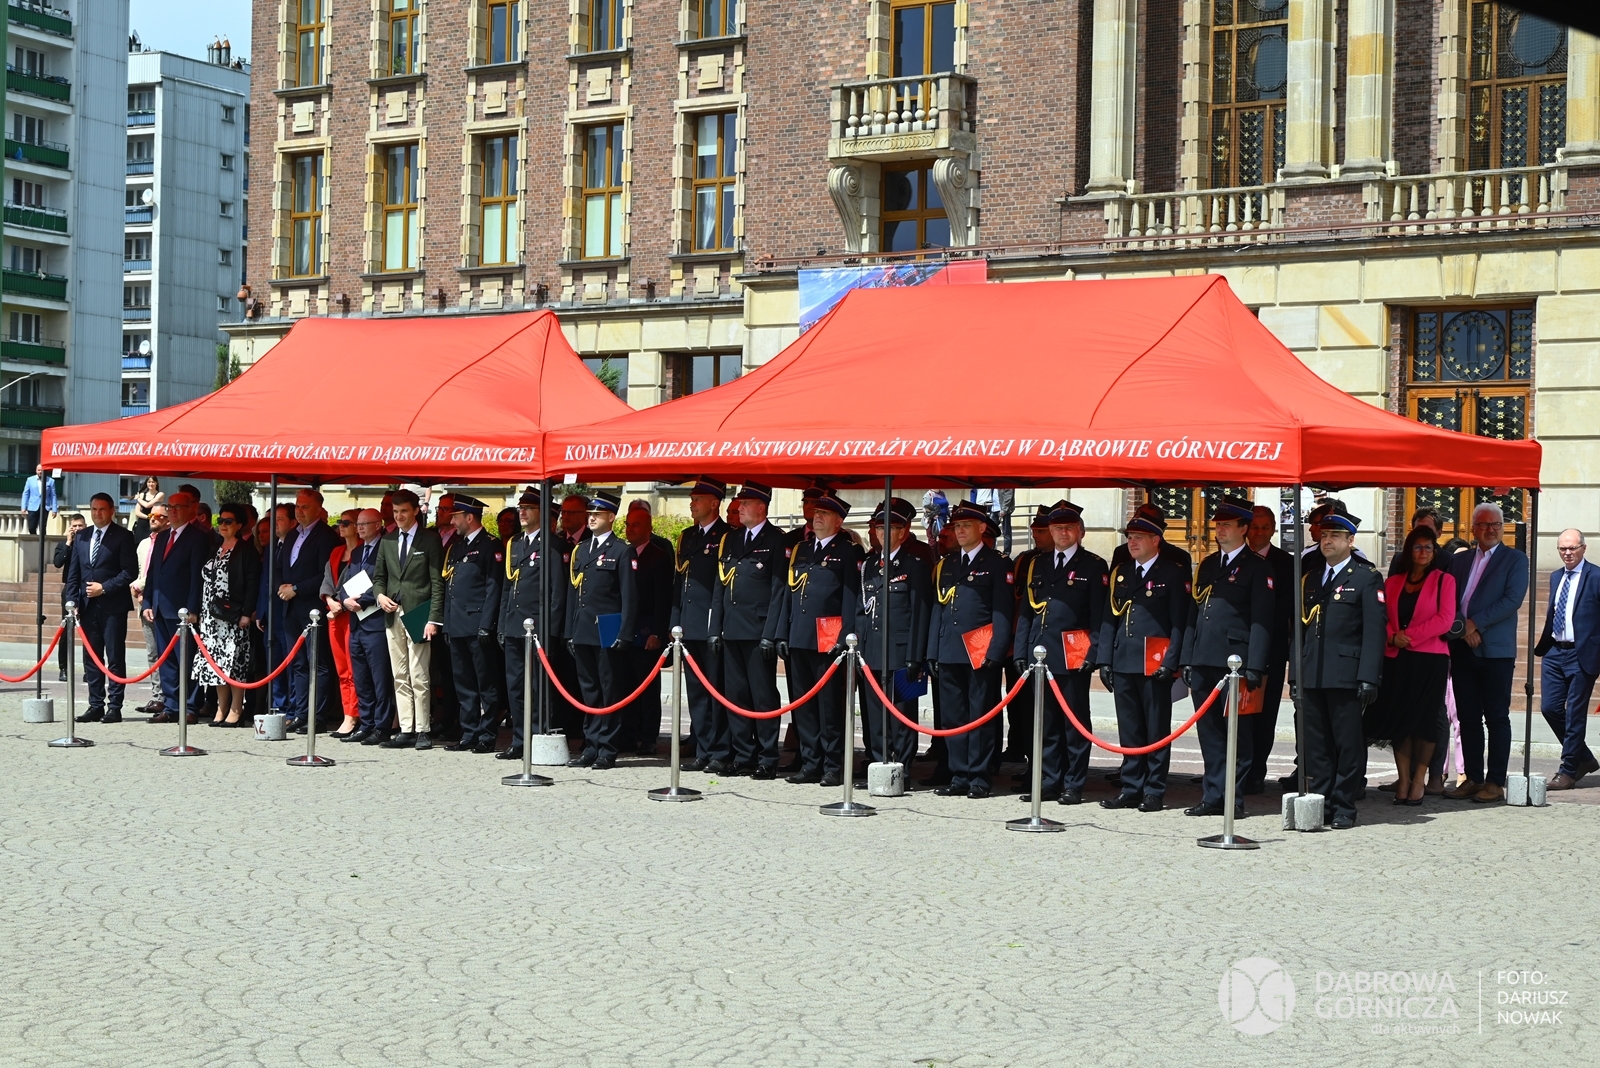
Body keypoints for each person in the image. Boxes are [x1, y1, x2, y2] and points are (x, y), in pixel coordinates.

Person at [1179, 496, 1273, 819]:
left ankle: (1233, 798)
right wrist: (1187, 657)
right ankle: (1212, 796)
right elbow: (1193, 614)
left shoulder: (1257, 567)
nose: (1219, 530)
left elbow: (1262, 619)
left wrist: (1255, 665)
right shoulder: (1207, 564)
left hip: (1236, 662)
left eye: (1227, 525)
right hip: (1203, 658)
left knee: (1237, 735)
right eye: (1218, 525)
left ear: (1243, 529)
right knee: (1209, 733)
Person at [1294, 505, 1385, 829]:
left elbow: (1374, 631)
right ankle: (1322, 801)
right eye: (1324, 535)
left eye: (1335, 535)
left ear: (1350, 540)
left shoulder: (1365, 577)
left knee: (1347, 744)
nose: (1327, 540)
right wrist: (1295, 675)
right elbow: (1299, 630)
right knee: (1316, 744)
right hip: (1313, 671)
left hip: (1346, 674)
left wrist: (1369, 676)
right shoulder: (1310, 578)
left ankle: (1344, 805)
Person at [1012, 501, 1106, 805]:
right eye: (1057, 528)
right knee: (1046, 723)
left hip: (1073, 654)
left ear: (1080, 531)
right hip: (1041, 655)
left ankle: (1073, 783)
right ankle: (1049, 781)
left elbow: (1099, 614)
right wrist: (1021, 650)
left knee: (1074, 723)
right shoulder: (1038, 564)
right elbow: (1027, 612)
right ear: (1050, 531)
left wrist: (1094, 652)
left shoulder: (1093, 565)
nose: (1062, 533)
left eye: (1068, 528)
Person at [1098, 515, 1190, 812]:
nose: (1132, 542)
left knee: (1156, 729)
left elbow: (1179, 623)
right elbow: (1109, 619)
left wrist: (1171, 662)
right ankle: (1131, 786)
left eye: (1138, 537)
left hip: (1155, 663)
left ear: (1155, 540)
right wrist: (1105, 660)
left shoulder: (1173, 573)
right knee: (1130, 729)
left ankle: (1154, 789)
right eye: (1129, 537)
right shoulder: (1122, 572)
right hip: (1124, 659)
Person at [1441, 503, 1528, 805]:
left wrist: (1475, 623)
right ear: (1474, 528)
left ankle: (1495, 782)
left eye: (1496, 525)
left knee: (1496, 717)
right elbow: (1448, 598)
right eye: (1484, 524)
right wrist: (1463, 628)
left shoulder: (1515, 559)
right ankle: (1473, 778)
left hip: (1496, 652)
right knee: (1467, 718)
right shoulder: (1460, 560)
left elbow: (1511, 600)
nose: (1490, 530)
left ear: (1502, 528)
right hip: (1462, 648)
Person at [926, 501, 1014, 799]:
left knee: (980, 715)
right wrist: (932, 651)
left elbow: (1002, 611)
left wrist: (996, 651)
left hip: (980, 651)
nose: (960, 531)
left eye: (966, 526)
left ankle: (979, 776)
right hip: (949, 648)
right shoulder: (948, 563)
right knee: (953, 717)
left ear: (982, 528)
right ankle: (959, 773)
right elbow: (938, 610)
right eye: (957, 526)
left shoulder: (997, 563)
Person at [774, 490, 861, 787]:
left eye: (825, 513)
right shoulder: (801, 550)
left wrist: (845, 636)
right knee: (804, 705)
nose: (817, 516)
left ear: (838, 521)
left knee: (829, 706)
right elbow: (789, 594)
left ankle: (832, 765)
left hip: (829, 638)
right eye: (816, 512)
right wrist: (782, 632)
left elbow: (850, 597)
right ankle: (810, 762)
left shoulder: (847, 551)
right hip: (799, 634)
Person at [1365, 526, 1456, 805]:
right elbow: (1381, 616)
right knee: (1401, 720)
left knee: (1425, 722)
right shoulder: (1393, 582)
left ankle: (1419, 780)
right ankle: (1403, 779)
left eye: (1429, 547)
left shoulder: (1445, 581)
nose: (1423, 552)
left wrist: (1409, 636)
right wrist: (1393, 637)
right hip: (1398, 658)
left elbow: (1445, 620)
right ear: (1409, 551)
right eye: (1418, 546)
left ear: (1435, 552)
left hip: (1430, 659)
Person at [711, 482, 788, 777]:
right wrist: (715, 628)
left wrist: (770, 633)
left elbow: (779, 590)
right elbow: (721, 585)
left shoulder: (776, 540)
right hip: (731, 628)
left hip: (758, 630)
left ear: (761, 507)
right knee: (736, 694)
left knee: (762, 695)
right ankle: (743, 754)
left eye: (745, 503)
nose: (739, 507)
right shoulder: (731, 540)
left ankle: (767, 756)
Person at [856, 498, 931, 772]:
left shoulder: (914, 565)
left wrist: (915, 656)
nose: (882, 533)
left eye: (890, 528)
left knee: (902, 716)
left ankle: (902, 767)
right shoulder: (869, 566)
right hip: (873, 651)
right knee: (875, 715)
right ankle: (879, 763)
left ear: (903, 532)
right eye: (879, 528)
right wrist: (861, 651)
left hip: (902, 653)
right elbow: (861, 612)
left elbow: (920, 614)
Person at [565, 490, 636, 769]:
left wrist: (625, 633)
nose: (591, 518)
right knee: (589, 691)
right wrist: (570, 631)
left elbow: (629, 596)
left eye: (597, 514)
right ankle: (591, 745)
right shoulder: (582, 549)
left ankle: (607, 748)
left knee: (609, 691)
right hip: (583, 629)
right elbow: (574, 593)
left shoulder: (622, 550)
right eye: (590, 514)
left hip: (608, 629)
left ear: (611, 517)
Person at [496, 489, 567, 761]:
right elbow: (508, 588)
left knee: (537, 688)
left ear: (542, 512)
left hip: (538, 629)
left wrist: (551, 632)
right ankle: (520, 740)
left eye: (528, 508)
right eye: (520, 508)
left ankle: (537, 739)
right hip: (514, 625)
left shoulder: (552, 545)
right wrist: (502, 624)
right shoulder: (515, 543)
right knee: (515, 687)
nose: (522, 512)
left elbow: (557, 593)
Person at [373, 488, 446, 750]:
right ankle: (406, 728)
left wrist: (434, 618)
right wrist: (380, 596)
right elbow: (379, 577)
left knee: (419, 674)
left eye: (404, 511)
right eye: (395, 511)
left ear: (416, 510)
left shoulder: (430, 539)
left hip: (419, 612)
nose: (399, 516)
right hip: (392, 613)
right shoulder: (387, 540)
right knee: (399, 673)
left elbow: (437, 582)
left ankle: (423, 729)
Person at [672, 478, 734, 772]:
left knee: (715, 691)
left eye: (698, 499)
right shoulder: (687, 537)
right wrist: (675, 622)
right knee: (695, 692)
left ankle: (720, 751)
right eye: (692, 499)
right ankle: (703, 749)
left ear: (714, 503)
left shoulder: (727, 536)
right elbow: (679, 584)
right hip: (689, 624)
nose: (692, 503)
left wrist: (717, 627)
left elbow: (724, 587)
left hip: (711, 625)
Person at [64, 494, 139, 724]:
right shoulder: (82, 536)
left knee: (115, 657)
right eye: (94, 509)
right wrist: (72, 602)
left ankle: (114, 707)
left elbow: (130, 572)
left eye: (102, 509)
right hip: (86, 607)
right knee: (92, 657)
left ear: (112, 510)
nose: (98, 513)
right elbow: (74, 573)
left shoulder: (123, 536)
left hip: (113, 606)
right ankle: (95, 705)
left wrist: (104, 588)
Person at [439, 494, 504, 754]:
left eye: (456, 516)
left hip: (477, 624)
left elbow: (493, 588)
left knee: (485, 682)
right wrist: (447, 624)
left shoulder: (490, 545)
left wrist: (486, 625)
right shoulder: (457, 547)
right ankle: (469, 732)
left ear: (469, 517)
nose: (452, 521)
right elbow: (450, 588)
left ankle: (487, 734)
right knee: (463, 682)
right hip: (457, 624)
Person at [1536, 529, 1600, 790]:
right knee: (1549, 708)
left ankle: (1568, 771)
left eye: (1572, 548)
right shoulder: (1555, 576)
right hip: (1554, 651)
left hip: (1582, 653)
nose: (1567, 553)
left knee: (1574, 713)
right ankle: (1584, 758)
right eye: (1563, 548)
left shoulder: (1596, 576)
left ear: (1583, 548)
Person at [191, 503, 261, 727]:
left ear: (239, 525)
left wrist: (247, 613)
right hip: (211, 618)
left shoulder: (246, 550)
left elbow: (252, 584)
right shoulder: (215, 547)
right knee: (216, 664)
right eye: (220, 521)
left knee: (234, 664)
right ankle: (221, 708)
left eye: (228, 521)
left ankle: (236, 708)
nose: (223, 525)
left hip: (233, 617)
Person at [142, 491, 209, 724]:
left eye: (178, 507)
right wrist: (147, 602)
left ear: (191, 509)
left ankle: (190, 706)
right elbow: (153, 573)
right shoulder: (161, 537)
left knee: (187, 659)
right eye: (170, 507)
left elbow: (196, 576)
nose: (173, 511)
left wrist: (193, 609)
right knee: (167, 660)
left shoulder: (197, 538)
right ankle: (171, 705)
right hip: (160, 608)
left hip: (183, 611)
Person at [278, 489, 340, 733]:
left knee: (318, 663)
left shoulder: (326, 536)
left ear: (318, 509)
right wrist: (282, 587)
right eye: (297, 506)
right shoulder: (293, 534)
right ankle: (302, 713)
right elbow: (281, 566)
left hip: (312, 607)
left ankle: (318, 716)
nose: (299, 511)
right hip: (290, 608)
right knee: (299, 663)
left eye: (305, 506)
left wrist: (296, 589)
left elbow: (325, 575)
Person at [1244, 505, 1295, 794]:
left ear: (1274, 530)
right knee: (1234, 714)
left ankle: (1255, 773)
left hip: (1270, 650)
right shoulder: (1235, 559)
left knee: (1264, 715)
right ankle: (1231, 770)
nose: (1259, 532)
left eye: (1265, 527)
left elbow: (1284, 608)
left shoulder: (1286, 563)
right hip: (1236, 649)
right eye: (1254, 526)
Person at [333, 509, 394, 746]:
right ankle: (366, 724)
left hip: (376, 621)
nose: (359, 528)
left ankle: (382, 726)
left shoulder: (386, 548)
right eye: (358, 524)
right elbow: (346, 583)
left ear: (378, 525)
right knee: (361, 678)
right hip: (356, 622)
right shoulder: (358, 551)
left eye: (364, 523)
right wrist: (345, 600)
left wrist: (363, 601)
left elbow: (387, 583)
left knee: (380, 679)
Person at [623, 501, 673, 755]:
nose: (630, 529)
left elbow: (664, 600)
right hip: (625, 630)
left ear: (648, 528)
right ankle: (628, 735)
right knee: (627, 685)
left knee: (648, 687)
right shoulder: (624, 553)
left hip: (646, 630)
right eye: (628, 524)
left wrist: (657, 632)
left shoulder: (658, 556)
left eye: (636, 525)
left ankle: (649, 736)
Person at [322, 509, 364, 737]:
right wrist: (330, 600)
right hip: (335, 614)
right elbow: (327, 580)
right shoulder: (337, 551)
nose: (341, 526)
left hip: (353, 614)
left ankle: (353, 715)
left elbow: (363, 583)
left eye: (346, 522)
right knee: (341, 669)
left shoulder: (364, 551)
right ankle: (347, 712)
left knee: (353, 667)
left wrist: (340, 603)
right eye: (340, 522)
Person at [129, 503, 169, 714]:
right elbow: (141, 572)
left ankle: (171, 698)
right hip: (145, 604)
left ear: (168, 520)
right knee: (153, 653)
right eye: (151, 515)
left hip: (164, 603)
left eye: (158, 516)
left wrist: (139, 585)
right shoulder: (143, 544)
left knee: (168, 654)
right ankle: (157, 697)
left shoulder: (170, 542)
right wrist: (137, 590)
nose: (152, 518)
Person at [52, 512, 86, 681]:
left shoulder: (89, 543)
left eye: (80, 526)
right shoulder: (64, 544)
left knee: (89, 630)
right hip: (70, 589)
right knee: (66, 630)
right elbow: (58, 562)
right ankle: (63, 668)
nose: (77, 529)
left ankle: (89, 670)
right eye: (74, 526)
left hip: (86, 588)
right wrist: (68, 542)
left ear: (85, 527)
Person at [1387, 507, 1442, 577]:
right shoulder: (1399, 559)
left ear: (1439, 533)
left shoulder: (1449, 561)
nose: (1422, 533)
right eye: (1418, 529)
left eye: (1427, 529)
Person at [21, 463, 57, 537]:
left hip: (45, 507)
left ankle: (43, 542)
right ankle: (34, 540)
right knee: (31, 527)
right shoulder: (30, 480)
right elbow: (25, 494)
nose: (40, 472)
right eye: (39, 470)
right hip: (32, 507)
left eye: (42, 470)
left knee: (42, 528)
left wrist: (54, 509)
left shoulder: (51, 481)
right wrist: (23, 507)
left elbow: (53, 496)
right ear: (36, 471)